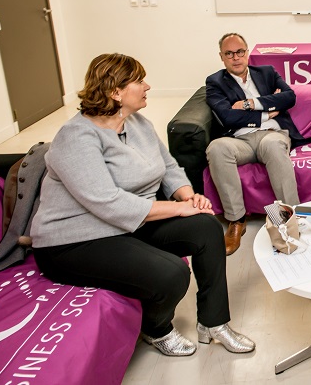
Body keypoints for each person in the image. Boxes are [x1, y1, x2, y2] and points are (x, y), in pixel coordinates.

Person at [30, 53, 255, 357]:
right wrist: (177, 209)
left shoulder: (136, 122)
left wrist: (187, 196)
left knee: (206, 227)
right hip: (76, 241)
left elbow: (168, 166)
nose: (147, 86)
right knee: (173, 273)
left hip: (129, 225)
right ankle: (156, 329)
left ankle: (214, 324)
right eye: (139, 80)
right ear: (115, 92)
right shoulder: (76, 137)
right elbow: (109, 203)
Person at [205, 33, 311, 254]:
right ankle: (236, 221)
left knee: (274, 146)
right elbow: (227, 117)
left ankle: (288, 217)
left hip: (271, 136)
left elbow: (289, 97)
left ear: (247, 53)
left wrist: (249, 103)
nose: (235, 57)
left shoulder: (266, 72)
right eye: (229, 53)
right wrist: (267, 113)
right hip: (239, 140)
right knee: (216, 148)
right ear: (222, 57)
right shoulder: (215, 82)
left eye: (240, 52)